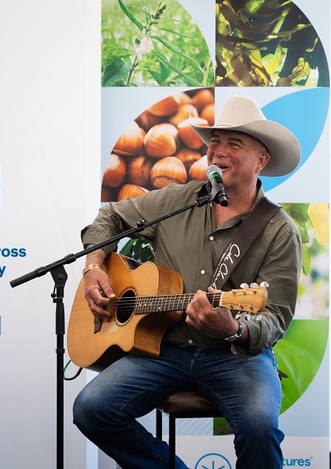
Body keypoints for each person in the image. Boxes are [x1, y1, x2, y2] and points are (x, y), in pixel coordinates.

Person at [73, 95, 302, 469]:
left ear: (261, 160)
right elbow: (110, 217)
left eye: (234, 143)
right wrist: (94, 265)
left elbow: (273, 317)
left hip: (235, 356)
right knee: (91, 409)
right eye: (215, 142)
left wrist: (234, 329)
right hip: (164, 348)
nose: (219, 151)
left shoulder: (279, 231)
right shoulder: (177, 200)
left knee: (260, 428)